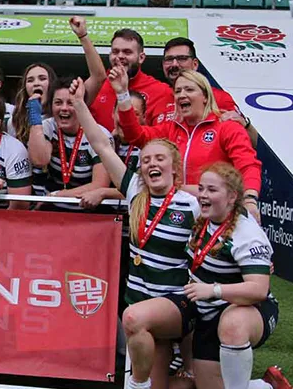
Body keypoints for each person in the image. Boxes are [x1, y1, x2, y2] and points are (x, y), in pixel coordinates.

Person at [68, 76, 199, 389]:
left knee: (135, 332)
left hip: (174, 306)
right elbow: (100, 143)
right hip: (141, 311)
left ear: (175, 168)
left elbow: (231, 217)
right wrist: (79, 104)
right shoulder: (134, 191)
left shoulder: (193, 204)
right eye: (146, 160)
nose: (151, 164)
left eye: (159, 159)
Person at [113, 67, 262, 221]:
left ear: (205, 96)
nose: (182, 95)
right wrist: (122, 94)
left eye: (189, 89)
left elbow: (247, 164)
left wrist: (249, 199)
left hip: (215, 217)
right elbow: (135, 135)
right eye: (177, 91)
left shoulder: (226, 126)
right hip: (177, 216)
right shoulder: (170, 129)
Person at [184, 163, 278, 389]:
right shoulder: (202, 211)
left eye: (212, 190)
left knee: (232, 325)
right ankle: (266, 387)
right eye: (201, 188)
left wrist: (213, 290)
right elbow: (177, 190)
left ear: (232, 197)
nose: (203, 195)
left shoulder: (247, 233)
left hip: (249, 308)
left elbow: (258, 290)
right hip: (207, 312)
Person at [27, 78, 113, 211]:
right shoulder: (48, 126)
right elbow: (39, 159)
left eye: (71, 103)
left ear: (81, 105)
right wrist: (35, 119)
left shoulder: (99, 134)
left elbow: (100, 184)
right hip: (53, 209)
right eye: (58, 103)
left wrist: (59, 195)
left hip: (87, 212)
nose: (64, 108)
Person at [160, 37, 258, 147]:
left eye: (182, 58)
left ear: (195, 64)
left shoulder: (219, 98)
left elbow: (249, 141)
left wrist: (246, 125)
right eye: (169, 59)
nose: (174, 64)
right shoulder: (157, 97)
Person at [89, 29, 173, 130]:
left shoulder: (162, 92)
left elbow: (163, 136)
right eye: (115, 52)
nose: (120, 56)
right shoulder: (96, 86)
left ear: (141, 58)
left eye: (127, 52)